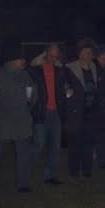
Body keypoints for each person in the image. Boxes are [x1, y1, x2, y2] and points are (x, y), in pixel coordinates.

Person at [0, 43, 35, 192]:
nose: (23, 62)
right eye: (20, 59)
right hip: (3, 121)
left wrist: (31, 99)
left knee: (23, 154)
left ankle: (23, 183)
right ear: (11, 60)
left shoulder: (25, 74)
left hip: (22, 120)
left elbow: (34, 93)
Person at [62, 39, 101, 178]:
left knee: (88, 141)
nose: (89, 55)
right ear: (79, 54)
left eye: (90, 53)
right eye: (86, 52)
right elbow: (64, 86)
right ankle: (74, 170)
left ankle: (87, 169)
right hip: (76, 112)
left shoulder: (94, 68)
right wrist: (68, 91)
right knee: (75, 142)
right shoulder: (69, 69)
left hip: (91, 111)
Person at [29, 43, 65, 186]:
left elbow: (62, 87)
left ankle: (49, 175)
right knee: (39, 143)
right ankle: (25, 171)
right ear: (45, 53)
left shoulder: (59, 70)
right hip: (41, 111)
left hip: (56, 112)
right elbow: (29, 89)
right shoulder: (35, 70)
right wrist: (30, 104)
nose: (53, 59)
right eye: (51, 56)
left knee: (55, 145)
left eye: (56, 56)